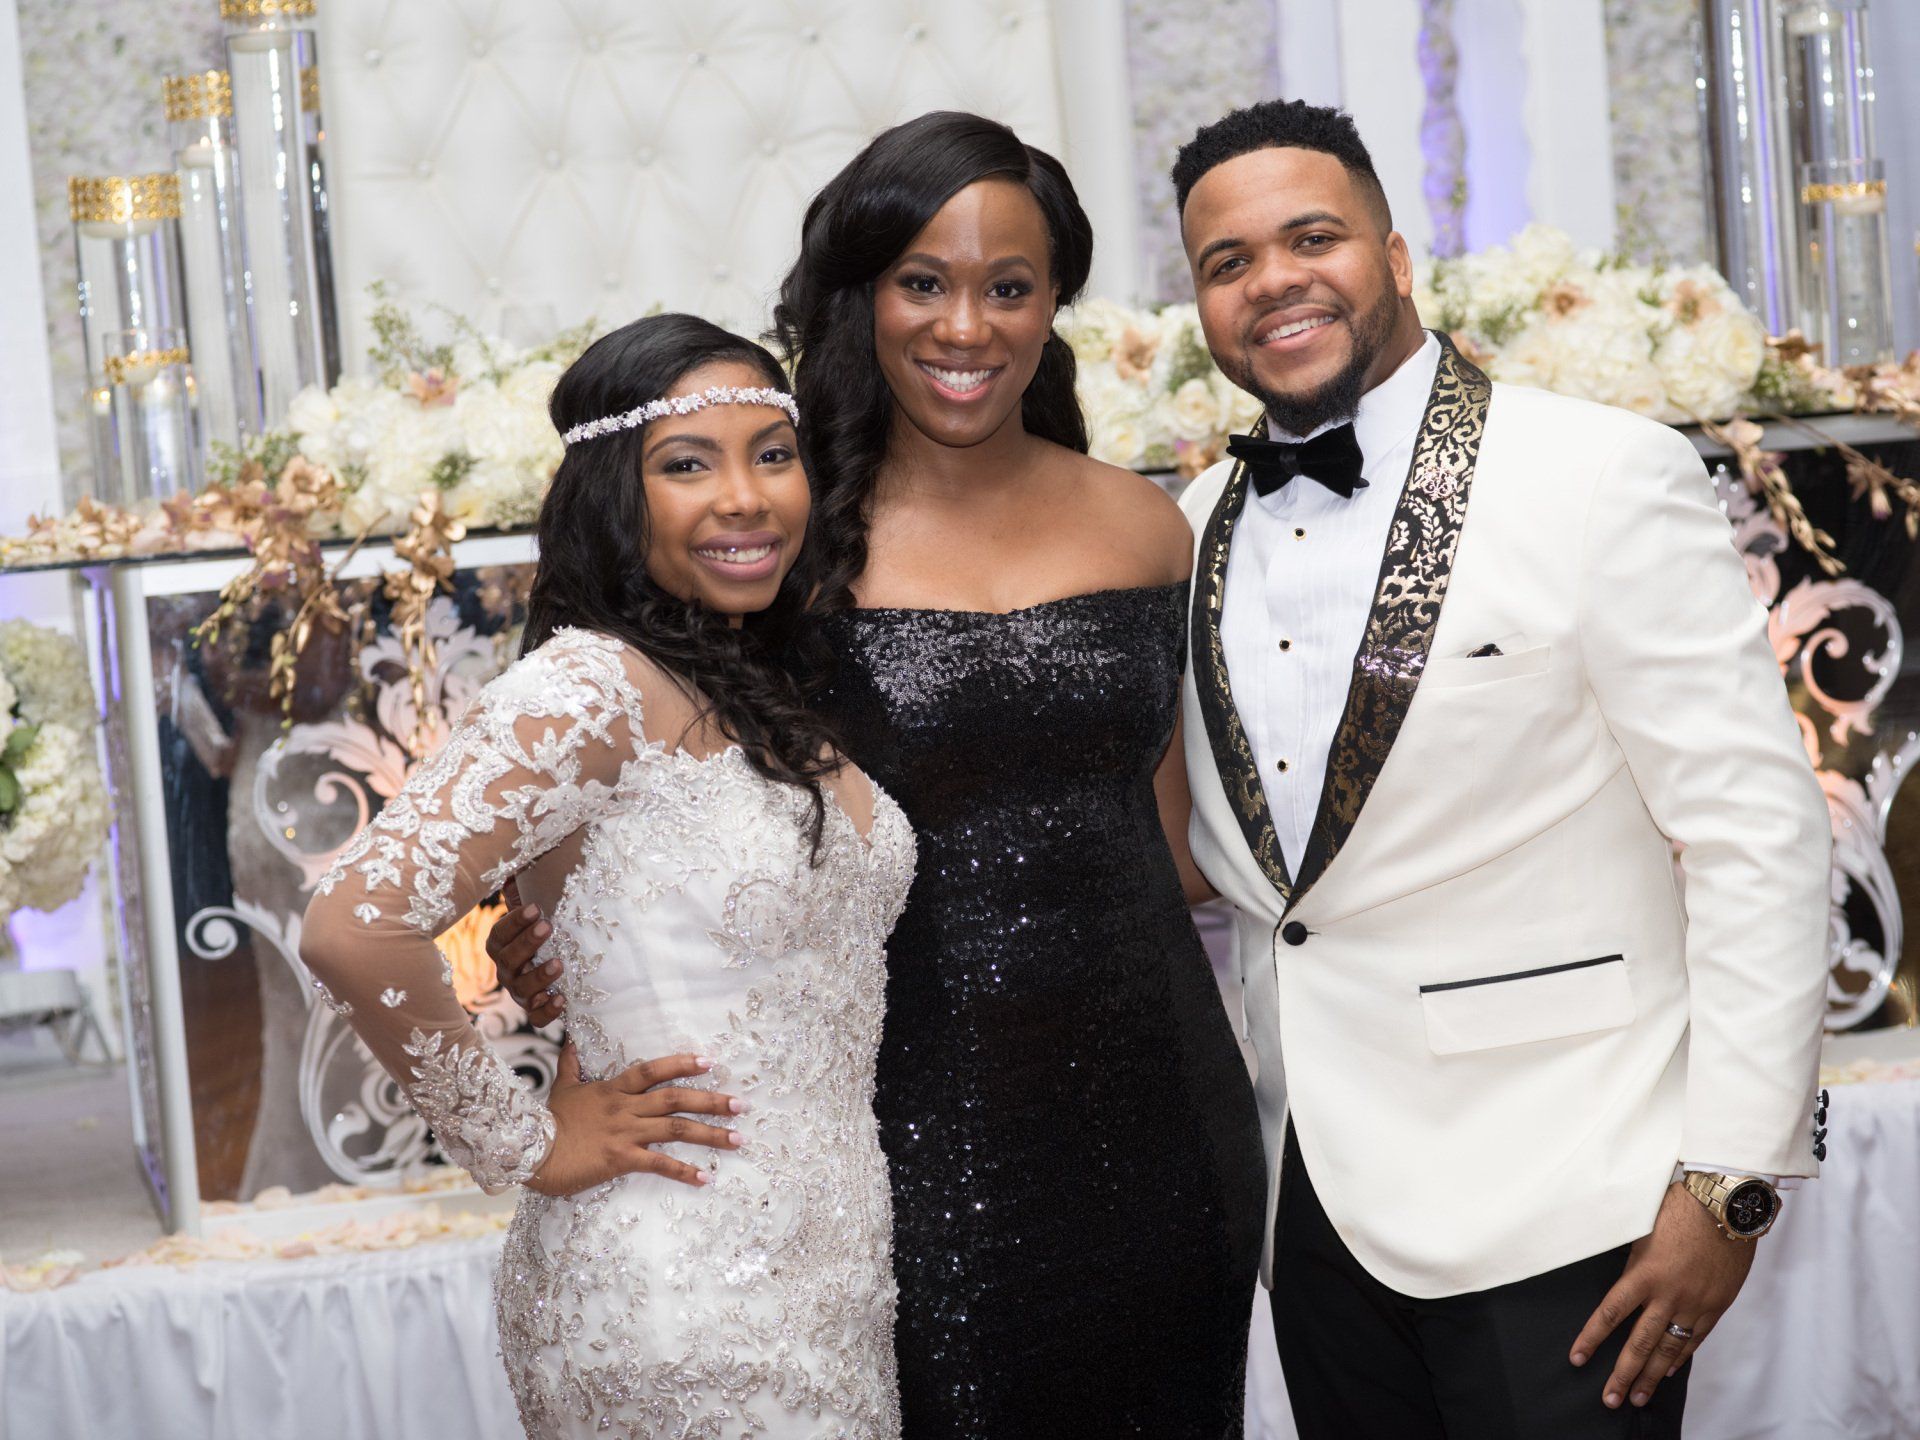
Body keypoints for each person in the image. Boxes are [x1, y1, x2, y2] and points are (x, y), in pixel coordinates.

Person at [491, 112, 1267, 1436]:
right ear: (862, 292)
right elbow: (597, 820)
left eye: (1008, 286)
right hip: (896, 1130)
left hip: (1164, 1123)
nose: (966, 326)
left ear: (1054, 305)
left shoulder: (1146, 526)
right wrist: (555, 982)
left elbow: (1182, 843)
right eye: (925, 281)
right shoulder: (778, 552)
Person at [1169, 99, 1831, 1438]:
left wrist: (1732, 1184)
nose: (1274, 279)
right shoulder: (1190, 527)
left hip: (1570, 1204)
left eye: (1313, 237)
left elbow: (1756, 836)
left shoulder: (1597, 474)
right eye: (1228, 261)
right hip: (1317, 1214)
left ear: (1398, 259)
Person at [301, 314, 914, 1439]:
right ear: (613, 500)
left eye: (770, 455)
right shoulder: (589, 685)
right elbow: (354, 925)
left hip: (825, 1279)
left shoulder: (753, 680)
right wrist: (527, 1140)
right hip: (673, 1288)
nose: (745, 496)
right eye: (689, 464)